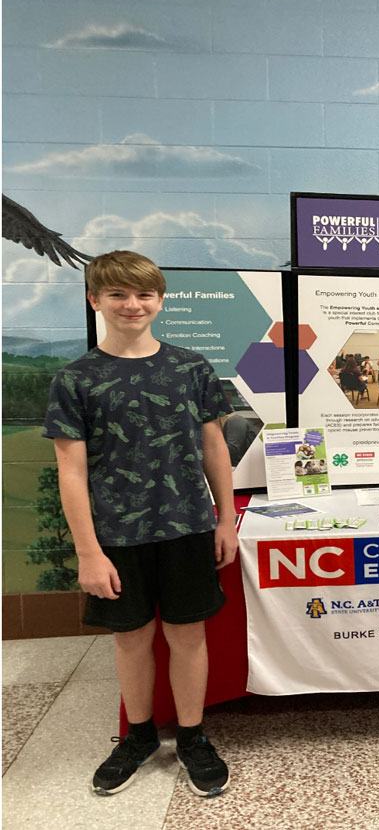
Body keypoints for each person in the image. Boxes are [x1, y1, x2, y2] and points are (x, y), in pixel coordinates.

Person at [43, 251, 238, 798]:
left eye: (144, 294)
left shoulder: (190, 368)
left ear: (160, 299)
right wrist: (88, 552)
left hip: (188, 528)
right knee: (131, 640)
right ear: (95, 301)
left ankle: (194, 735)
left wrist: (225, 521)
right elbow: (71, 472)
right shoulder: (76, 379)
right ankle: (140, 735)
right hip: (116, 536)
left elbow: (213, 447)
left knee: (187, 634)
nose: (132, 305)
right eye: (118, 295)